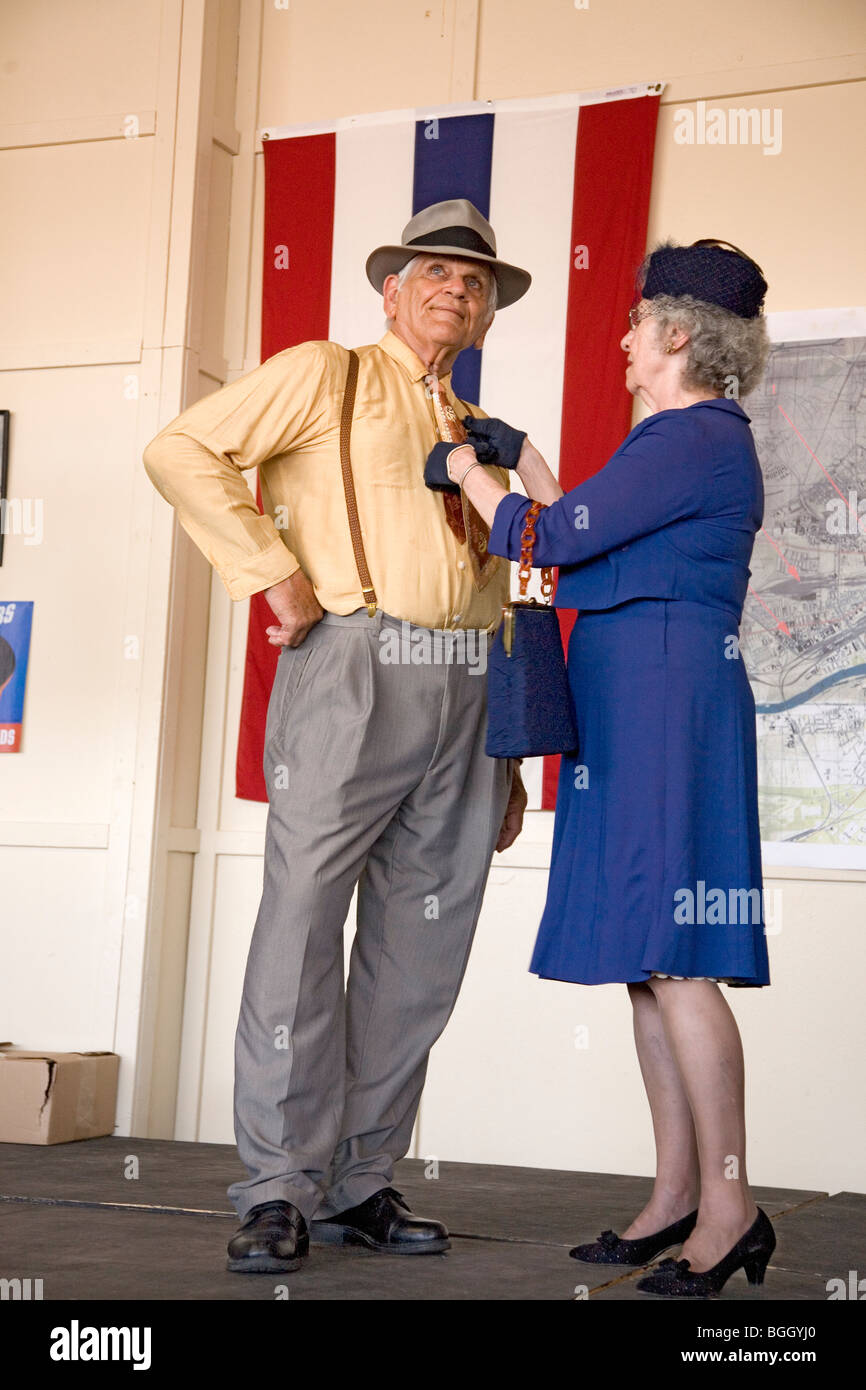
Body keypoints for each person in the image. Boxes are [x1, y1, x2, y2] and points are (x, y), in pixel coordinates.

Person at [143, 198, 532, 1273]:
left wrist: (509, 751)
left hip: (465, 690)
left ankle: (358, 1180)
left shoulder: (475, 430)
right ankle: (276, 1185)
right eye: (436, 275)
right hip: (355, 665)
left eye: (475, 284)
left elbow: (500, 581)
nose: (457, 292)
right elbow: (181, 448)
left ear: (487, 314)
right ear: (390, 289)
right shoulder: (327, 370)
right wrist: (274, 574)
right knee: (301, 928)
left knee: (421, 952)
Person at [426, 239, 777, 1298]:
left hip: (665, 700)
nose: (620, 340)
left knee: (676, 957)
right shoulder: (672, 445)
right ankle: (675, 1192)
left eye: (634, 323)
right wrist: (521, 453)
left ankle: (730, 1205)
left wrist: (464, 472)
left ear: (675, 335)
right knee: (646, 959)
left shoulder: (690, 437)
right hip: (637, 699)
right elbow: (576, 536)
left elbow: (538, 531)